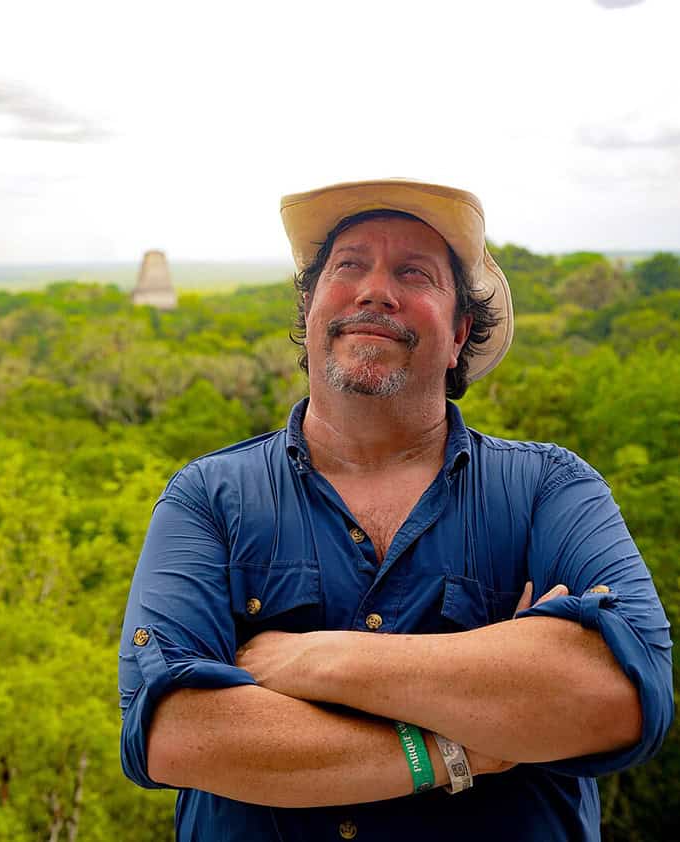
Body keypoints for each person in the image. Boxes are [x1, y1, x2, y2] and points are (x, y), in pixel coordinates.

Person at [118, 178, 673, 841]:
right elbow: (176, 734)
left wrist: (307, 661)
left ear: (462, 329)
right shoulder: (207, 497)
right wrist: (462, 746)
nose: (375, 289)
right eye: (349, 265)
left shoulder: (550, 488)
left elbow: (621, 698)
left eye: (414, 272)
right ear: (312, 308)